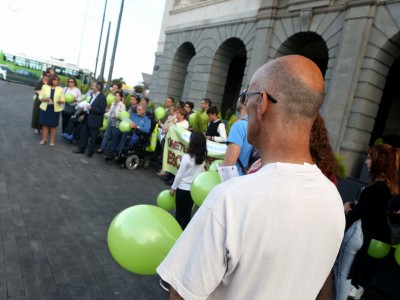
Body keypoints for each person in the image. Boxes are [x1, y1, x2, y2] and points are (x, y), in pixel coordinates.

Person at [157, 55, 345, 299]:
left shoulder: (231, 201)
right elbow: (323, 285)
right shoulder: (333, 199)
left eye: (247, 98)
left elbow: (182, 294)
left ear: (263, 103)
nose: (244, 107)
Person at [334, 143, 399, 300]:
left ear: (379, 161)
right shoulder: (382, 187)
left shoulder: (380, 187)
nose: (366, 162)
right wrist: (352, 206)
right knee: (342, 273)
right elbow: (368, 210)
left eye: (369, 158)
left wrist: (348, 209)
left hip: (357, 233)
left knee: (342, 275)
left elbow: (363, 213)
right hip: (360, 234)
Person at [170, 132, 207, 229]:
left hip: (182, 189)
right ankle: (184, 234)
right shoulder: (203, 159)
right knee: (187, 214)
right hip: (193, 191)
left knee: (179, 213)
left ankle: (176, 232)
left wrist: (173, 188)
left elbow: (179, 175)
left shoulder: (186, 158)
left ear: (192, 143)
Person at [222, 88, 253, 175]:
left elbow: (228, 166)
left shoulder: (239, 126)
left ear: (245, 99)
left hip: (237, 181)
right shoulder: (258, 126)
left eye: (240, 96)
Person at [73, 81, 107, 157]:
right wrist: (84, 107)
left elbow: (102, 110)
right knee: (83, 134)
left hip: (95, 120)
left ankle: (90, 152)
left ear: (97, 88)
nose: (92, 86)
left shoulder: (102, 97)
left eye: (93, 85)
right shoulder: (92, 95)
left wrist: (92, 108)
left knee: (93, 137)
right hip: (88, 117)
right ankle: (81, 149)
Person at [38, 74, 64, 146]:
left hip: (55, 109)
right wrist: (44, 99)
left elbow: (63, 99)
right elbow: (40, 97)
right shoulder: (45, 87)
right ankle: (44, 139)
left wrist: (61, 101)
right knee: (45, 125)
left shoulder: (60, 89)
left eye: (57, 80)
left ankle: (52, 141)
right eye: (55, 79)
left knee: (53, 126)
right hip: (45, 108)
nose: (56, 81)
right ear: (51, 80)